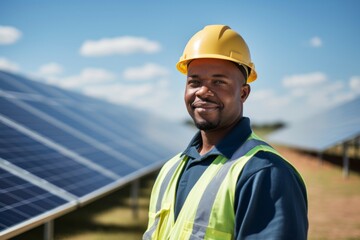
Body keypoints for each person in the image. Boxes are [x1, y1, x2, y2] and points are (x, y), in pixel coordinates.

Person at [143, 24, 308, 240]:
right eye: (194, 82)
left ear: (243, 93)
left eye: (218, 82)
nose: (202, 91)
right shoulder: (170, 169)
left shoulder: (265, 173)